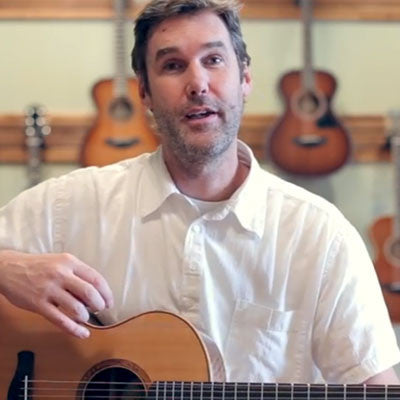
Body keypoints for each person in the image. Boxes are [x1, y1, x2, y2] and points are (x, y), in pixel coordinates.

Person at [0, 0, 399, 385]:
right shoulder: (68, 207)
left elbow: (374, 384)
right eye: (173, 65)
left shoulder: (322, 238)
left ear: (245, 79)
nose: (197, 84)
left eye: (214, 60)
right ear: (144, 93)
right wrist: (8, 269)